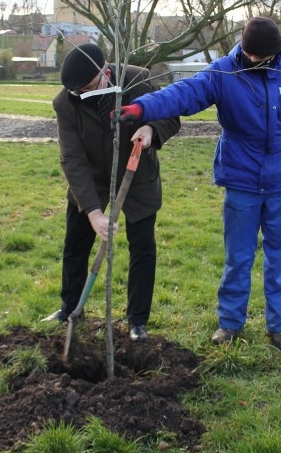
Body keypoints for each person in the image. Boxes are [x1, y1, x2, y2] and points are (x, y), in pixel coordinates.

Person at [119, 17, 281, 350]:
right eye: (250, 54)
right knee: (238, 257)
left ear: (275, 52)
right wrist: (142, 108)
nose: (254, 60)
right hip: (242, 181)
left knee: (279, 257)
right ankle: (230, 323)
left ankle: (279, 326)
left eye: (262, 56)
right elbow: (183, 94)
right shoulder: (223, 73)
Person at [46, 43, 181, 342]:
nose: (81, 93)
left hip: (137, 177)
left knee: (142, 247)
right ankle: (69, 308)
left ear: (105, 72)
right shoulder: (66, 103)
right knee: (75, 245)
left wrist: (152, 131)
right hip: (91, 179)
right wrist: (93, 213)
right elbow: (72, 158)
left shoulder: (138, 81)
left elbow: (172, 115)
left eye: (87, 87)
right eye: (76, 90)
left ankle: (137, 321)